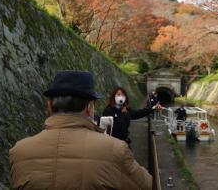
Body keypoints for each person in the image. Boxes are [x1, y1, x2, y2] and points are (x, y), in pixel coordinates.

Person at [9, 70, 152, 190]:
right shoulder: (116, 150)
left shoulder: (18, 152)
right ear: (90, 108)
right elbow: (146, 184)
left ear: (50, 106)